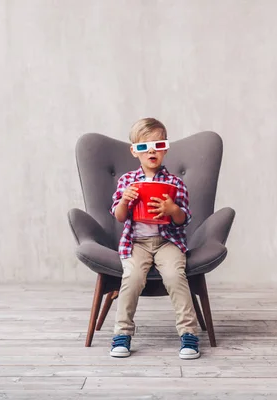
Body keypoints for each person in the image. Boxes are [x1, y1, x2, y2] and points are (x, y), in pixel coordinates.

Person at [108, 117, 200, 359]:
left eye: (158, 145)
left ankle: (188, 333)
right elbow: (118, 216)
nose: (151, 150)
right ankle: (122, 333)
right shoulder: (127, 181)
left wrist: (172, 210)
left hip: (167, 242)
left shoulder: (175, 183)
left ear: (165, 149)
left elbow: (183, 219)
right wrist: (126, 200)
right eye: (144, 146)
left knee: (174, 276)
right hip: (136, 243)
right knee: (132, 277)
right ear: (134, 151)